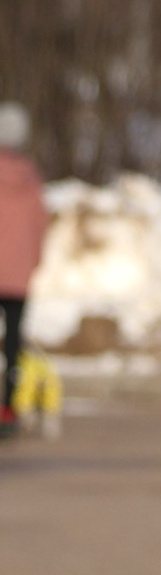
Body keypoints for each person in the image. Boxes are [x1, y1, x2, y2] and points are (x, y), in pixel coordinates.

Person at [0, 102, 47, 442]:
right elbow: (40, 225)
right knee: (13, 344)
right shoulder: (31, 179)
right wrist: (31, 262)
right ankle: (8, 408)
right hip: (18, 277)